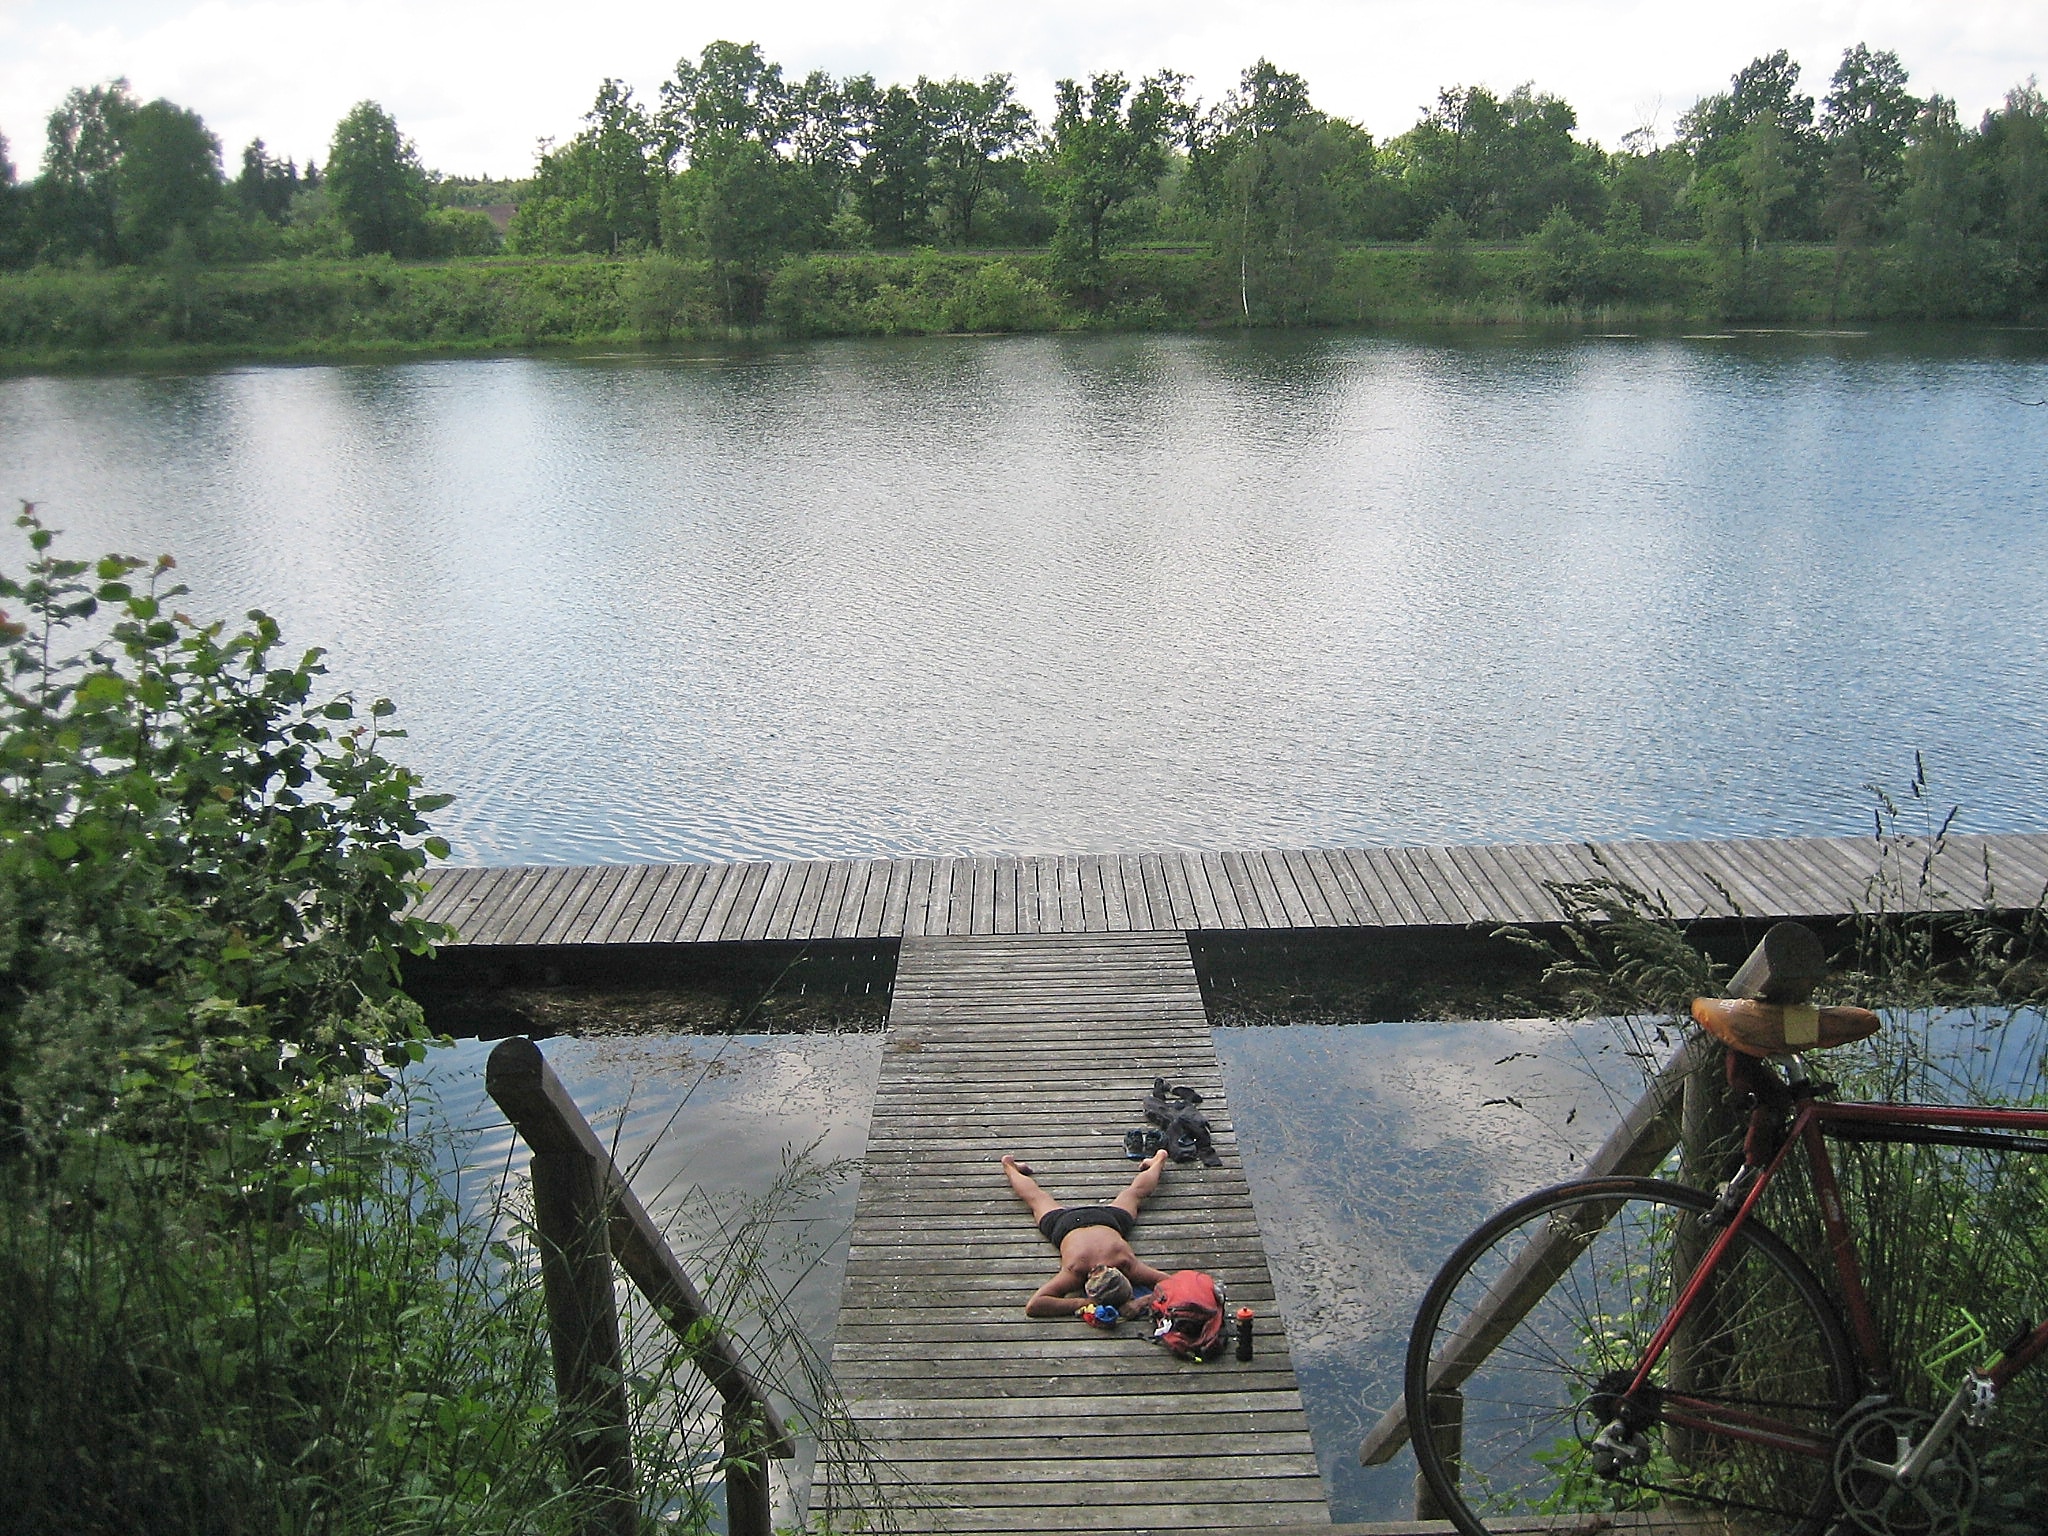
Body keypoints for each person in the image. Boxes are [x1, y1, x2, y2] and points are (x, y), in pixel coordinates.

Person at [1001, 1150, 1171, 1318]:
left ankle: (1159, 1160)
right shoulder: (1088, 1270)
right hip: (1077, 1224)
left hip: (1098, 1222)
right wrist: (1139, 1303)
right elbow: (1034, 1306)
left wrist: (1087, 1303)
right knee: (1036, 1198)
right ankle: (1008, 1165)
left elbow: (1035, 1305)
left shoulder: (1118, 1265)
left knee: (1134, 1193)